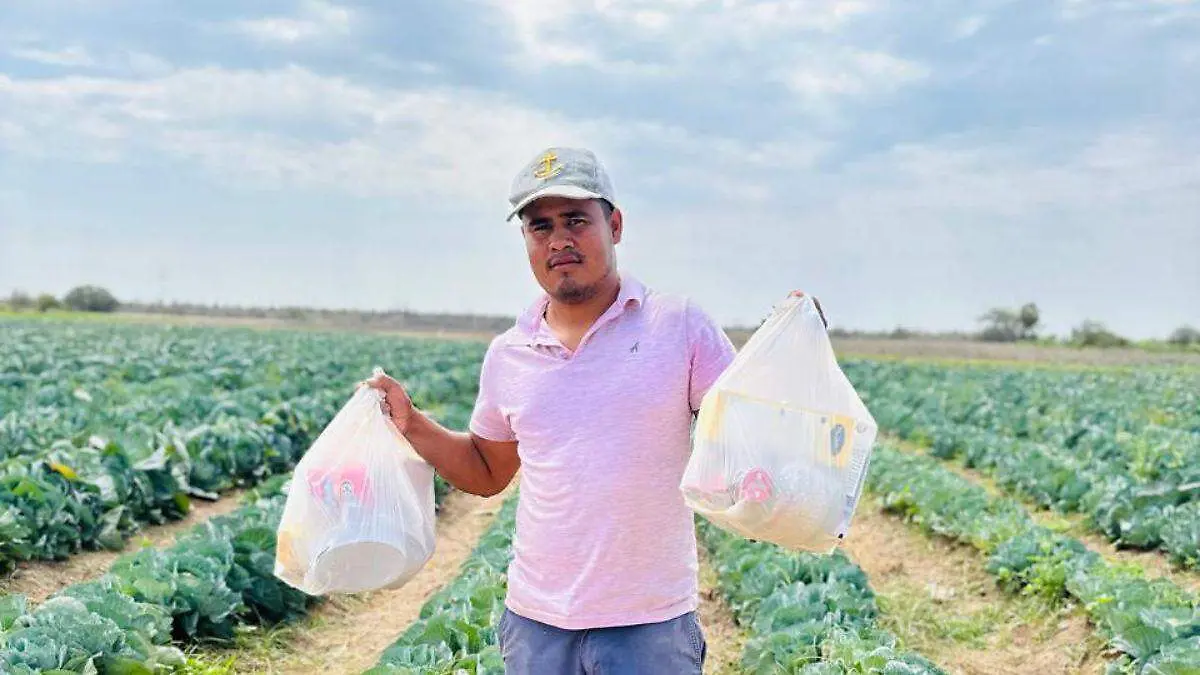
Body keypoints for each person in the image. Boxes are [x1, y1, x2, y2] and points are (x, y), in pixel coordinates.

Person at [365, 146, 824, 674]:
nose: (558, 240)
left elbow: (750, 427)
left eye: (576, 220)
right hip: (536, 624)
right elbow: (489, 471)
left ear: (616, 225)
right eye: (540, 227)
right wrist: (412, 422)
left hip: (650, 625)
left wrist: (788, 349)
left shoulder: (678, 325)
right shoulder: (509, 353)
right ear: (526, 241)